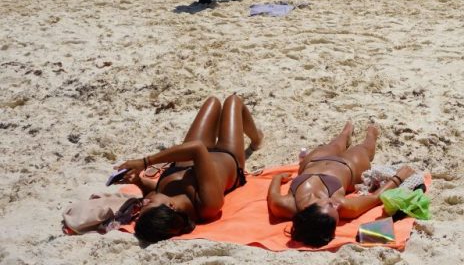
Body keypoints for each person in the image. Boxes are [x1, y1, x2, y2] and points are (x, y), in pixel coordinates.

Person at [115, 94, 263, 242]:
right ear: (171, 206)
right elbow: (197, 149)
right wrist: (146, 162)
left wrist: (138, 182)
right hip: (226, 155)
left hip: (192, 156)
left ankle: (221, 130)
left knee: (213, 102)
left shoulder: (161, 198)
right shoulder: (207, 205)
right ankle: (256, 139)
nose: (144, 202)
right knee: (233, 101)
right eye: (149, 204)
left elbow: (151, 191)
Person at [268, 122, 416, 247]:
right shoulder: (344, 207)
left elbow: (273, 194)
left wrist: (278, 178)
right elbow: (374, 198)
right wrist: (398, 178)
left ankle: (346, 132)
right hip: (348, 167)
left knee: (336, 142)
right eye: (337, 213)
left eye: (330, 206)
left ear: (310, 209)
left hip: (314, 160)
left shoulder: (284, 205)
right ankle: (372, 133)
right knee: (363, 149)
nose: (336, 206)